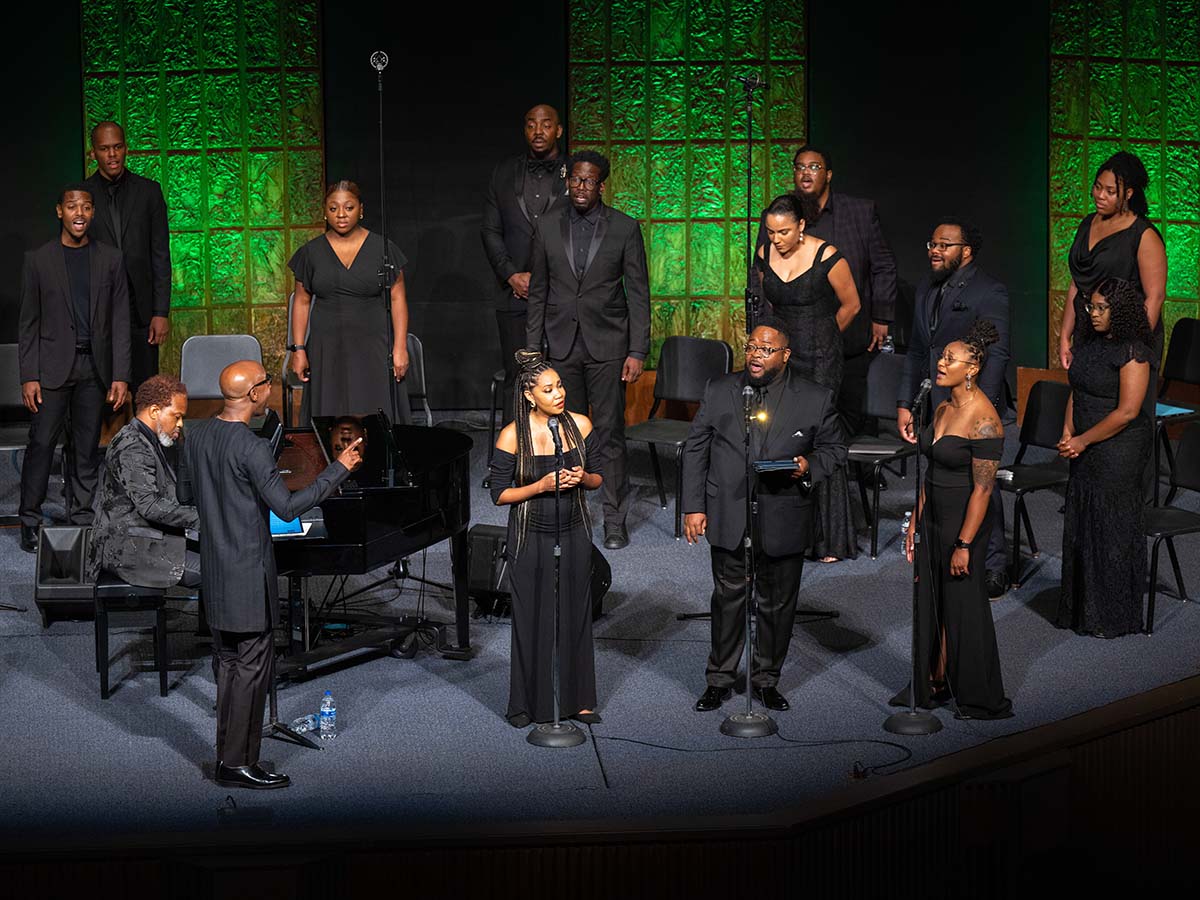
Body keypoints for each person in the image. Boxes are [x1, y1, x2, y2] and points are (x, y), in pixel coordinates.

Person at [179, 360, 362, 790]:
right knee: (252, 671)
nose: (270, 390)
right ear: (255, 394)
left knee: (227, 666)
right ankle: (239, 764)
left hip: (216, 570)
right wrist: (339, 468)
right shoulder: (252, 448)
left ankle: (227, 757)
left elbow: (188, 496)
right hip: (246, 575)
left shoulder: (197, 435)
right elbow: (289, 507)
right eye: (266, 383)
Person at [683, 319, 846, 713]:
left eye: (765, 349)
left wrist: (808, 466)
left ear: (785, 355)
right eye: (751, 346)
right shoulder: (720, 389)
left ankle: (766, 679)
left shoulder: (815, 397)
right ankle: (719, 679)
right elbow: (695, 449)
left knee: (777, 604)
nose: (755, 354)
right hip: (728, 511)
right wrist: (693, 506)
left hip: (783, 513)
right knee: (727, 600)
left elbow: (835, 450)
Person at [526, 150, 650, 551]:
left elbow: (639, 295)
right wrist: (532, 352)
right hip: (560, 346)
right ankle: (573, 514)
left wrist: (637, 351)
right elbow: (538, 293)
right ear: (568, 180)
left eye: (589, 181)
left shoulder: (625, 228)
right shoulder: (546, 226)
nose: (581, 187)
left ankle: (614, 519)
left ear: (601, 184)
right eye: (576, 180)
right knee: (566, 434)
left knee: (610, 433)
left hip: (609, 346)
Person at [891, 320, 1012, 720]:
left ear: (972, 369)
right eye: (942, 356)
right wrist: (915, 522)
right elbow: (930, 472)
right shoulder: (942, 407)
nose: (940, 363)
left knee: (962, 604)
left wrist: (963, 544)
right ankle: (933, 680)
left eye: (949, 359)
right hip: (933, 516)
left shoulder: (985, 421)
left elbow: (983, 490)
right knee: (930, 599)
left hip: (965, 522)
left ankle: (978, 695)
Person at [488, 350, 603, 727]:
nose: (559, 394)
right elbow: (499, 494)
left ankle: (581, 699)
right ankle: (526, 704)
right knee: (531, 617)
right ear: (528, 395)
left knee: (576, 614)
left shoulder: (581, 426)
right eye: (549, 389)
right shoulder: (512, 435)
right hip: (530, 535)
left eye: (560, 386)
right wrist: (539, 485)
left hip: (573, 530)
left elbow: (598, 477)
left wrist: (581, 479)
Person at [897, 218, 1011, 598]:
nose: (935, 250)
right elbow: (917, 349)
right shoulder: (926, 288)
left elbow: (996, 355)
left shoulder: (989, 290)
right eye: (932, 243)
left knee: (981, 483)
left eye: (944, 245)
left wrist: (981, 411)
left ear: (966, 251)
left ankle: (994, 565)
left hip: (972, 406)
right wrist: (905, 403)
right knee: (938, 475)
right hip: (935, 401)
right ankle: (939, 550)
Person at [17, 184, 130, 552]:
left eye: (85, 207)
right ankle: (29, 520)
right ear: (59, 212)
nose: (78, 213)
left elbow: (120, 321)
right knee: (42, 445)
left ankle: (81, 517)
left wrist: (120, 375)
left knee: (86, 448)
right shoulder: (39, 260)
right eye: (71, 206)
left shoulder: (111, 259)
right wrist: (29, 376)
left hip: (93, 369)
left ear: (93, 213)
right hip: (50, 370)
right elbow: (29, 323)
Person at [758, 145, 898, 437]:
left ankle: (854, 471)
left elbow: (882, 266)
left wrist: (881, 317)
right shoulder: (779, 216)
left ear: (829, 174)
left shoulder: (858, 212)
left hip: (846, 328)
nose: (805, 173)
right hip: (792, 339)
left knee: (848, 404)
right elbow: (762, 276)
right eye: (799, 167)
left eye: (814, 167)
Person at [757, 193, 861, 562]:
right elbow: (767, 305)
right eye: (770, 232)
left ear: (801, 226)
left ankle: (829, 538)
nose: (776, 239)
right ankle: (785, 531)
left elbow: (852, 304)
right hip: (781, 359)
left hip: (820, 359)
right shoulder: (764, 255)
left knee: (819, 440)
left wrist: (827, 335)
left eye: (784, 231)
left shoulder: (827, 256)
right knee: (781, 435)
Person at [1057, 150, 1166, 493]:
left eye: (1109, 191)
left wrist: (1129, 344)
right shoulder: (1088, 223)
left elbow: (1155, 296)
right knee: (1088, 397)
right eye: (1097, 187)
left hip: (1127, 336)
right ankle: (1086, 483)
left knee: (1125, 410)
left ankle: (1131, 493)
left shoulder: (1142, 234)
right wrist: (1065, 335)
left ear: (1128, 193)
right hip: (1090, 327)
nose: (1100, 195)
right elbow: (1078, 282)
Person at [1055, 278, 1153, 638]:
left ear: (1120, 311)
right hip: (1084, 441)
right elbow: (1076, 390)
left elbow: (1127, 411)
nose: (1093, 314)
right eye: (1090, 307)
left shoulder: (1133, 351)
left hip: (1119, 447)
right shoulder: (1089, 343)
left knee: (1110, 529)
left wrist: (1082, 440)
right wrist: (1068, 431)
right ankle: (1082, 610)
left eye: (1100, 308)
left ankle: (1112, 616)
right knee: (1084, 521)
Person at [287, 180, 410, 425]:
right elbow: (301, 302)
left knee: (376, 409)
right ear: (325, 211)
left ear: (361, 210)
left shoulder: (383, 248)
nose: (341, 215)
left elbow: (398, 298)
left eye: (349, 207)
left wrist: (399, 347)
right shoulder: (310, 253)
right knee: (329, 411)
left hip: (373, 343)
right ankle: (332, 463)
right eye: (333, 209)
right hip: (326, 346)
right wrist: (298, 350)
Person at [481, 104, 568, 420]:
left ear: (558, 130)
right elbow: (490, 230)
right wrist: (510, 275)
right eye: (531, 124)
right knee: (518, 378)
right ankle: (514, 460)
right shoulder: (504, 171)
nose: (538, 131)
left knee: (561, 378)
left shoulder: (574, 173)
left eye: (546, 124)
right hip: (514, 294)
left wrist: (551, 279)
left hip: (562, 296)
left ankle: (565, 459)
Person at [90, 375, 200, 589]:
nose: (180, 424)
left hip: (147, 533)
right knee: (215, 568)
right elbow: (150, 506)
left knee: (221, 553)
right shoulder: (132, 446)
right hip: (129, 547)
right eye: (176, 416)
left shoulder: (151, 438)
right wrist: (202, 517)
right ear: (154, 411)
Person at [85, 121, 171, 394]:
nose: (112, 154)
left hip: (141, 310)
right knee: (103, 391)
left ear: (126, 149)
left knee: (146, 391)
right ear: (93, 154)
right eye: (104, 148)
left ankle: (144, 439)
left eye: (117, 147)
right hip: (99, 309)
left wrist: (160, 312)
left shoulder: (149, 191)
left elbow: (160, 254)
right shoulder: (80, 195)